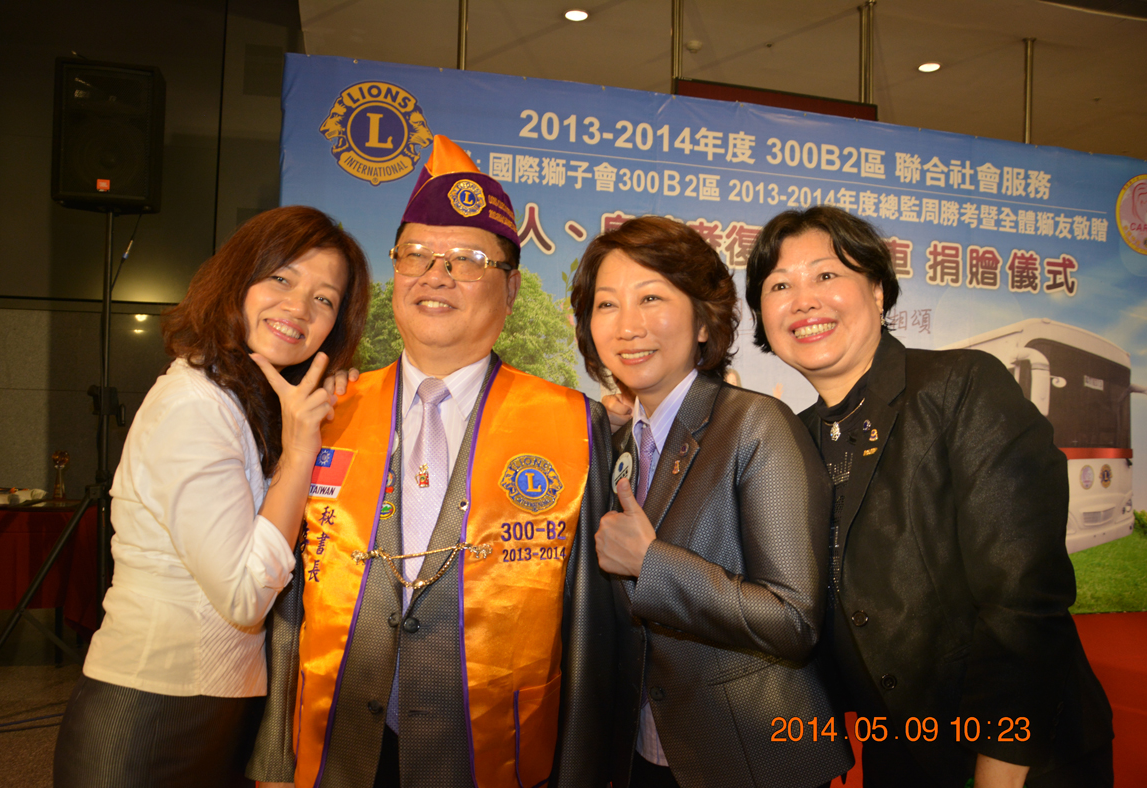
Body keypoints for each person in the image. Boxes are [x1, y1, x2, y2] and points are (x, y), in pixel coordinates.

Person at [247, 136, 615, 788]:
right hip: (339, 747)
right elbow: (290, 597)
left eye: (467, 260)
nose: (435, 275)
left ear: (510, 289)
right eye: (415, 255)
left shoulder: (572, 424)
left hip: (494, 750)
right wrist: (275, 757)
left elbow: (589, 622)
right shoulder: (327, 409)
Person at [745, 205, 1114, 788]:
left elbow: (1023, 596)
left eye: (826, 275)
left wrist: (1000, 768)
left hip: (1019, 757)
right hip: (903, 750)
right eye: (779, 286)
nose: (803, 300)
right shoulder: (793, 437)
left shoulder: (962, 387)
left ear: (877, 291)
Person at [53, 205, 371, 787]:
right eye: (281, 277)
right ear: (237, 280)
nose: (299, 307)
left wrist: (337, 414)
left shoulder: (248, 403)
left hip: (216, 703)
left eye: (324, 299)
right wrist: (301, 453)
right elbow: (244, 595)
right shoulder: (193, 406)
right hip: (148, 709)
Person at [569, 215, 852, 788]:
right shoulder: (616, 443)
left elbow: (793, 618)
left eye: (651, 297)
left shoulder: (755, 425)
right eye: (606, 305)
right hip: (645, 749)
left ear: (703, 320)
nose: (628, 326)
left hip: (754, 757)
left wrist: (653, 564)